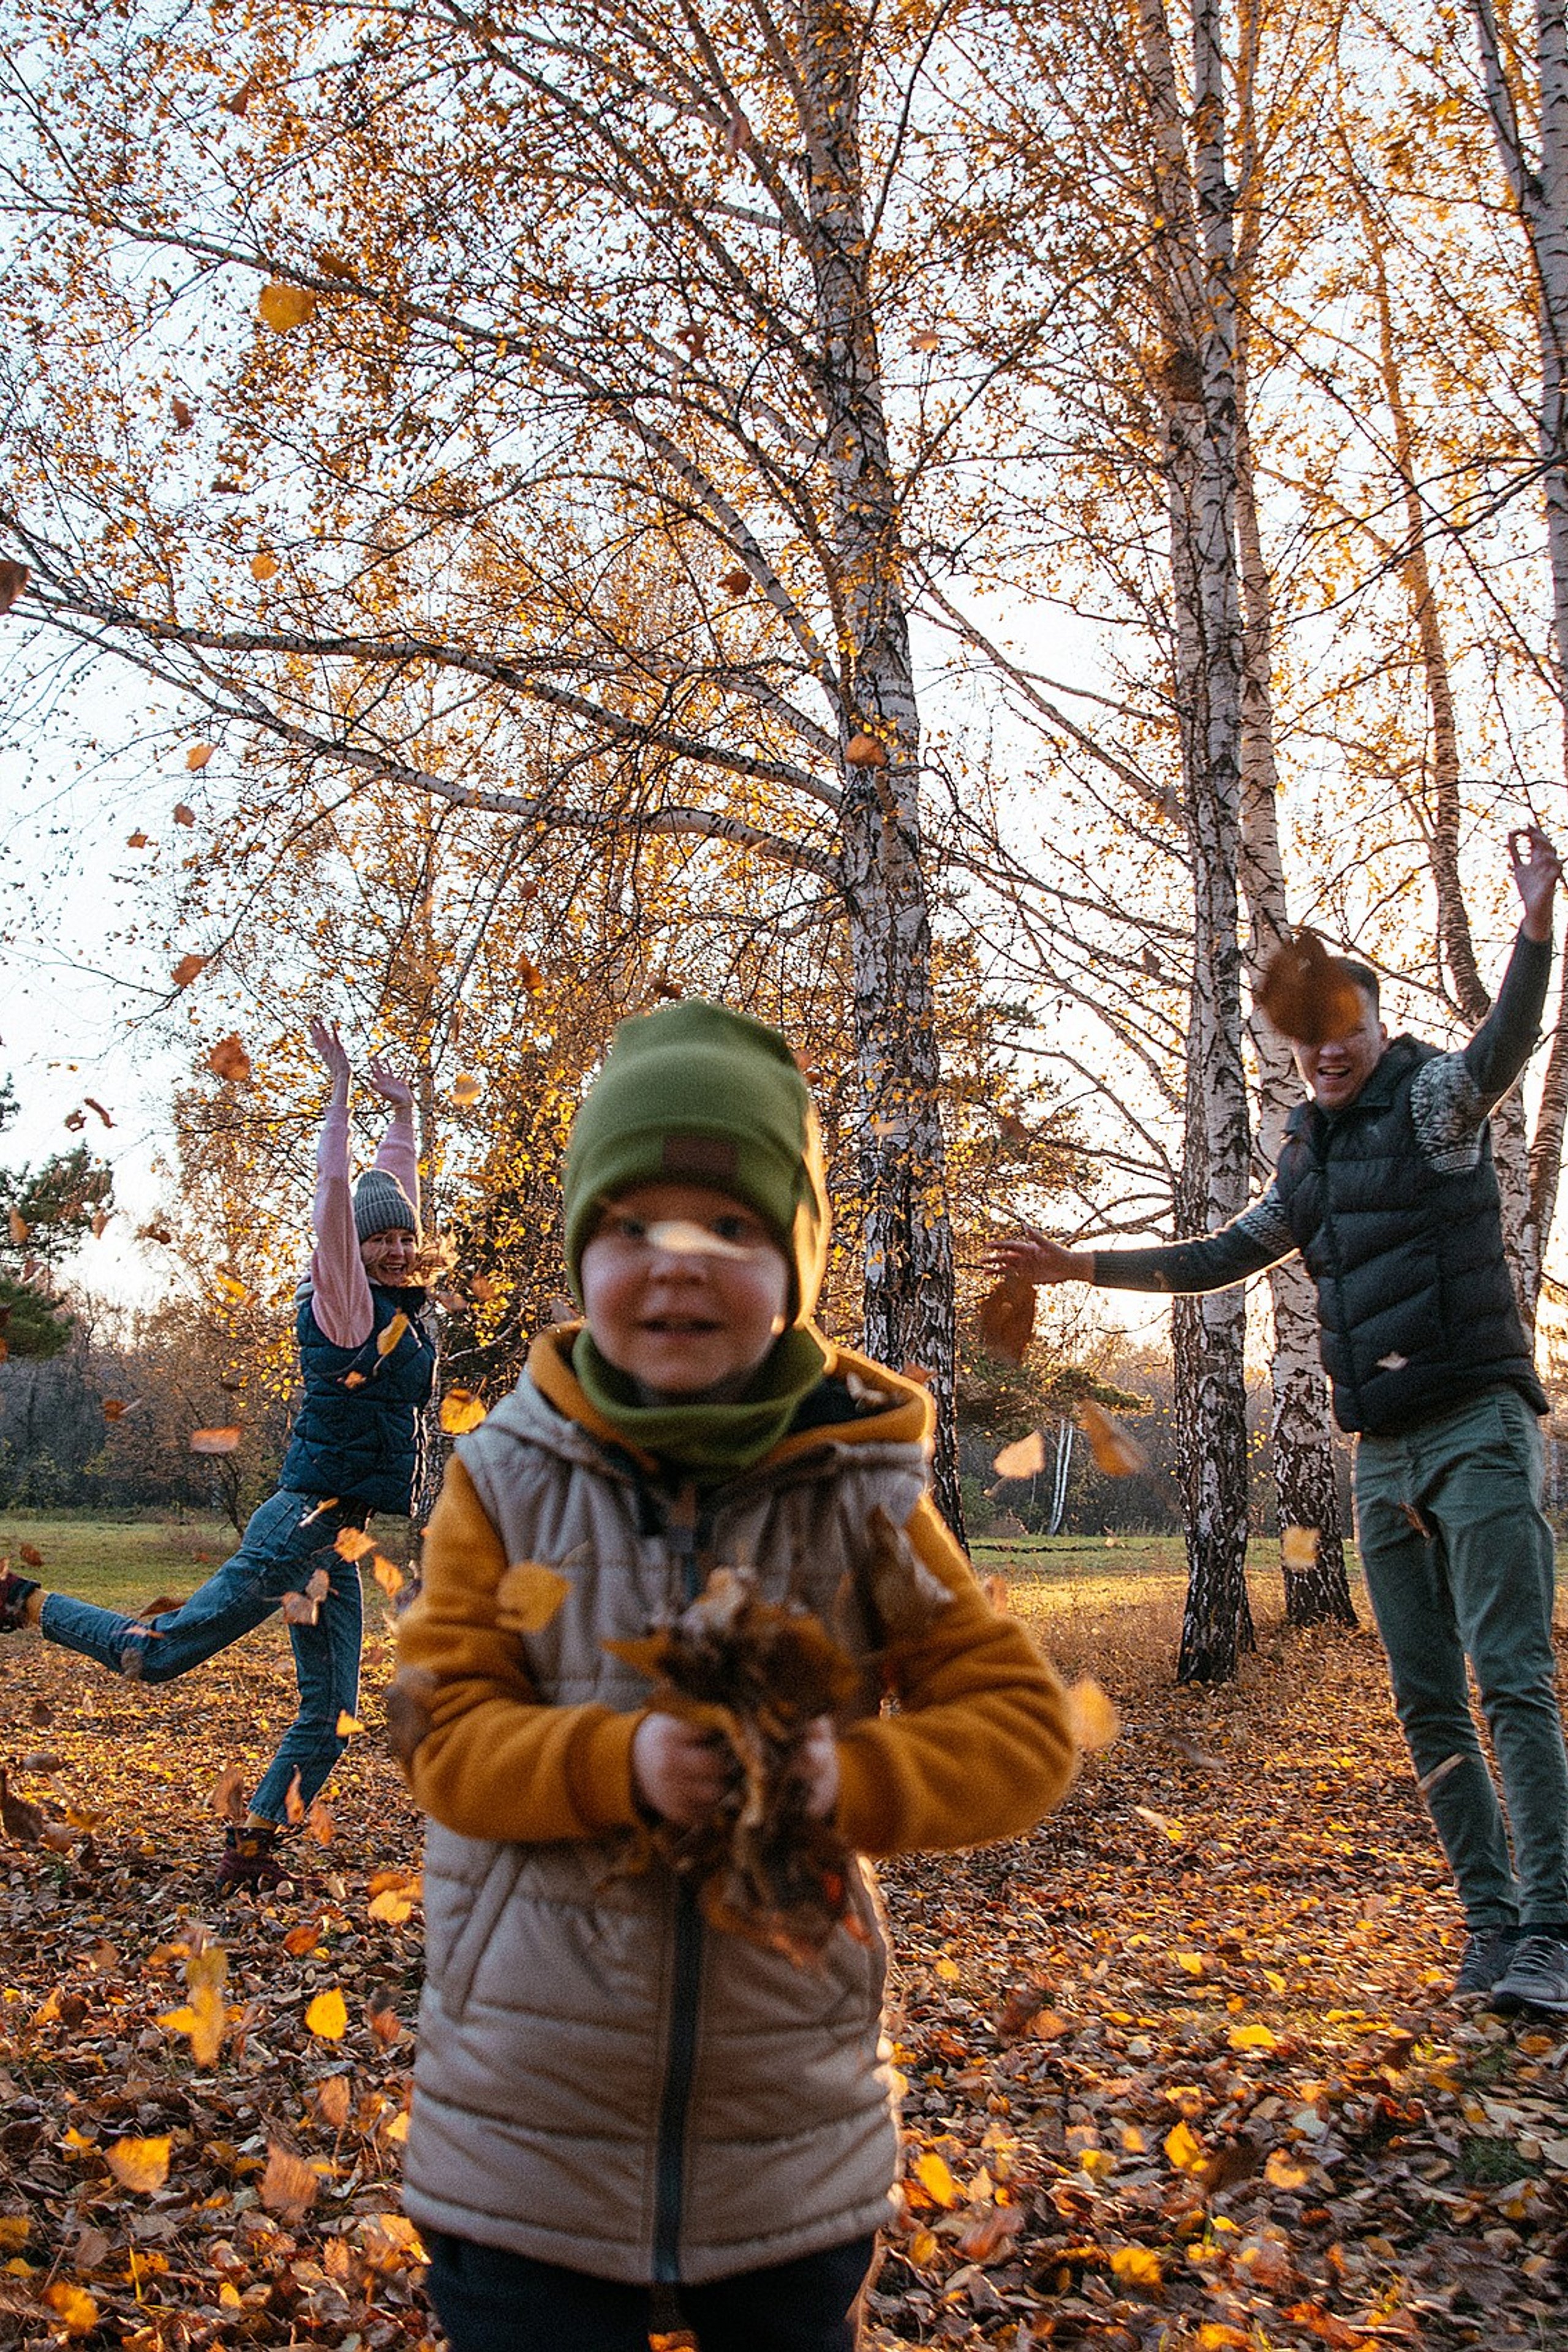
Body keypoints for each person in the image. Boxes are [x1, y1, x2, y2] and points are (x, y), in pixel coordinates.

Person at [392, 998, 1077, 2352]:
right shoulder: (505, 1482)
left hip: (785, 2134)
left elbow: (1018, 1727)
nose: (678, 1266)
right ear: (582, 1254)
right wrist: (612, 1763)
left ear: (796, 1267)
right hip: (526, 2130)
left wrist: (843, 1773)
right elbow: (441, 1730)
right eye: (631, 1227)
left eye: (733, 1231)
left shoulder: (862, 1501)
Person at [993, 825, 1568, 2015]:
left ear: (1373, 1023)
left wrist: (1530, 925)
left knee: (1506, 1677)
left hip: (1475, 1425)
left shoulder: (1428, 1103)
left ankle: (1552, 1932)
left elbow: (1503, 1049)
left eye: (1347, 1030)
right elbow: (1216, 1256)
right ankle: (1489, 1924)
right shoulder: (1302, 1160)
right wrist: (1073, 1267)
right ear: (1294, 1045)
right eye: (1311, 1039)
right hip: (1382, 1452)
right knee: (1421, 1696)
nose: (1329, 1051)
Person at [0, 1019, 439, 1891]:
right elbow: (336, 1195)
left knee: (334, 1713)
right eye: (377, 1240)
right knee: (157, 1657)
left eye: (402, 1237)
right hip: (295, 1530)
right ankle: (19, 1599)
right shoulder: (344, 1306)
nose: (393, 1246)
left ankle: (253, 1850)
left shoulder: (401, 1304)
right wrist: (343, 1097)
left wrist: (407, 1116)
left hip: (335, 1542)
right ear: (350, 1252)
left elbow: (392, 1191)